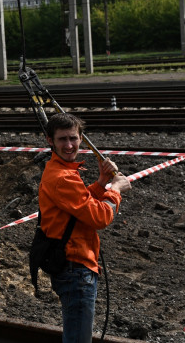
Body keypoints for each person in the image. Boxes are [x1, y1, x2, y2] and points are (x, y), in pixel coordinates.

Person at [38, 113, 131, 342]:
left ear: (81, 138)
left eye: (73, 138)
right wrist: (115, 190)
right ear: (50, 140)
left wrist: (100, 184)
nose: (69, 145)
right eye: (62, 139)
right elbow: (99, 217)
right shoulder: (63, 177)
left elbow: (78, 205)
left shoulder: (63, 171)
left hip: (74, 266)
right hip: (75, 268)